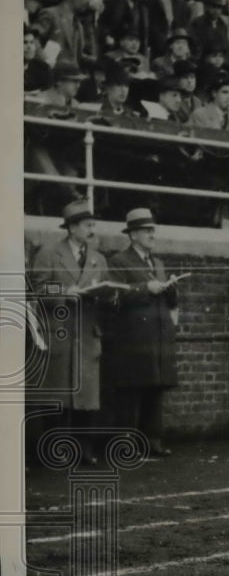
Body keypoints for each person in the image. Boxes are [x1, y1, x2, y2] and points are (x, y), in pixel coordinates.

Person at [30, 199, 114, 465]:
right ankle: (56, 451)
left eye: (93, 224)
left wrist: (110, 297)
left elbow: (106, 291)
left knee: (86, 398)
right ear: (72, 228)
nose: (92, 229)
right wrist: (66, 293)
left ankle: (84, 450)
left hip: (87, 335)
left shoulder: (98, 258)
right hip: (61, 335)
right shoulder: (49, 253)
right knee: (58, 396)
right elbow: (38, 291)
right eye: (88, 225)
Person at [106, 209, 179, 458]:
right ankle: (126, 445)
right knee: (131, 392)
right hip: (134, 336)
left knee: (155, 389)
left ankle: (153, 440)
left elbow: (169, 301)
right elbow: (114, 295)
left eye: (152, 230)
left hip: (158, 336)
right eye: (146, 230)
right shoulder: (119, 261)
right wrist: (144, 287)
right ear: (133, 234)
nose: (151, 234)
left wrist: (171, 288)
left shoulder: (157, 263)